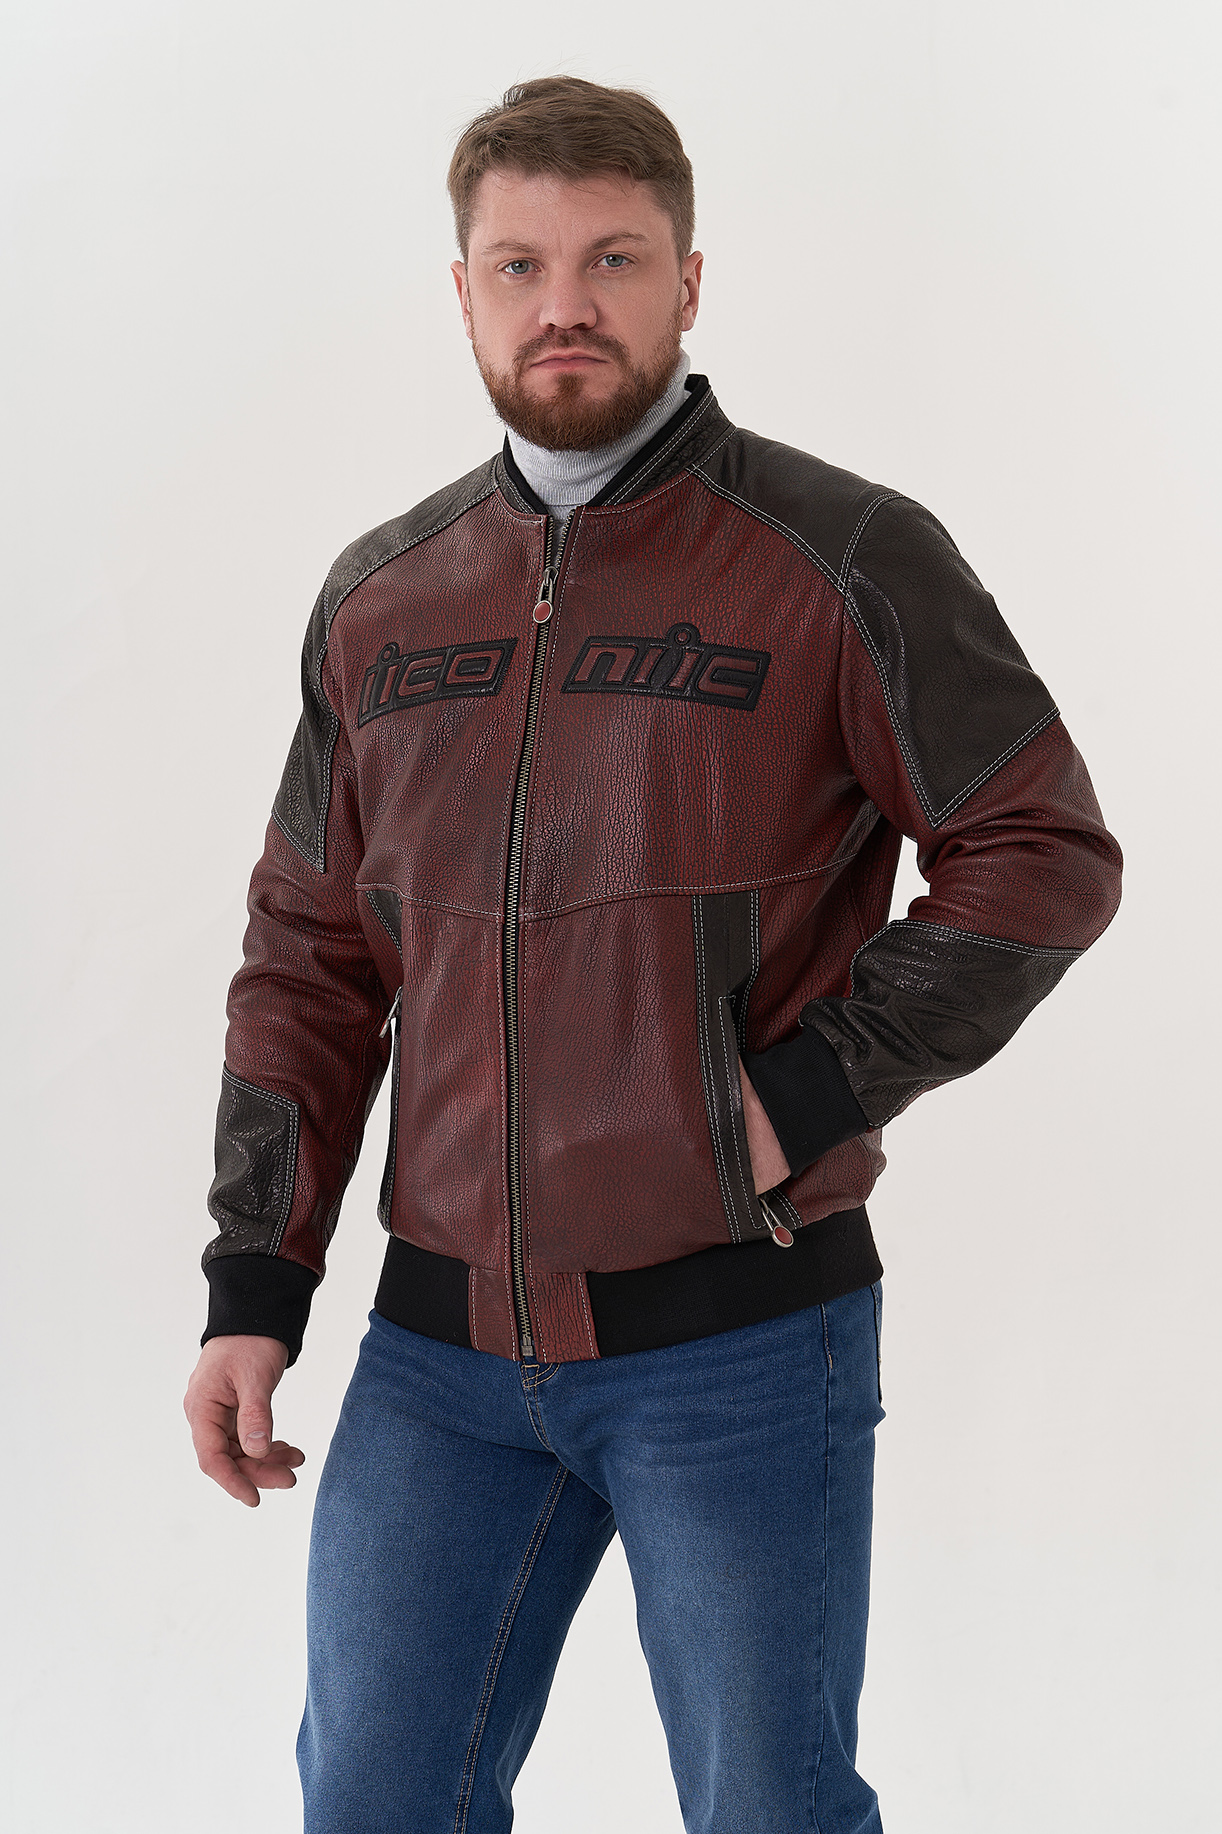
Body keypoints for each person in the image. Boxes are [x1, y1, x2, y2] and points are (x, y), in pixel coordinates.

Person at [183, 75, 1122, 1834]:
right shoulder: (383, 598)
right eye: (520, 264)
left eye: (612, 259)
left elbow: (1039, 851)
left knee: (767, 1808)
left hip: (739, 1344)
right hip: (438, 1358)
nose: (565, 304)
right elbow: (307, 954)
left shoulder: (841, 556)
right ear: (461, 291)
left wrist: (798, 1098)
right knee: (373, 1802)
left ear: (687, 281)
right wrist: (256, 1281)